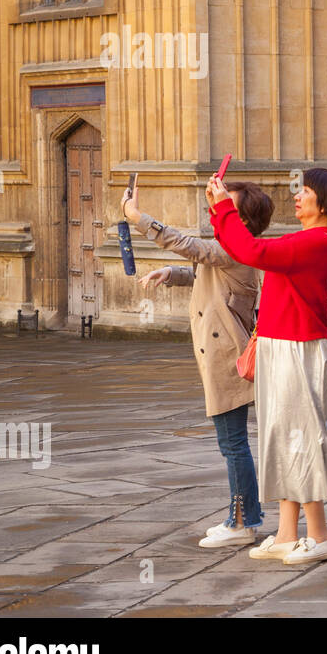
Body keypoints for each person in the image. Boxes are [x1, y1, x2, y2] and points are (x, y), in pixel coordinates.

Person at [207, 167, 327, 565]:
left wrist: (223, 211)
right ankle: (286, 534)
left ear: (325, 203)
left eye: (306, 191)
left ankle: (319, 535)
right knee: (283, 439)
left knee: (300, 440)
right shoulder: (306, 238)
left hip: (298, 351)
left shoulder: (318, 242)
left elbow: (253, 252)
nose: (297, 196)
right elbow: (245, 248)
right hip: (281, 349)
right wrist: (220, 213)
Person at [122, 181, 274, 548]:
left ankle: (242, 521)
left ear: (244, 220)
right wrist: (172, 274)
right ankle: (244, 517)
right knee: (233, 443)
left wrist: (138, 218)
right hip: (222, 358)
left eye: (227, 207)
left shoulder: (238, 249)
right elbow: (207, 271)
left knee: (233, 444)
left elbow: (193, 247)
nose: (218, 211)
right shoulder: (231, 252)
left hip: (229, 360)